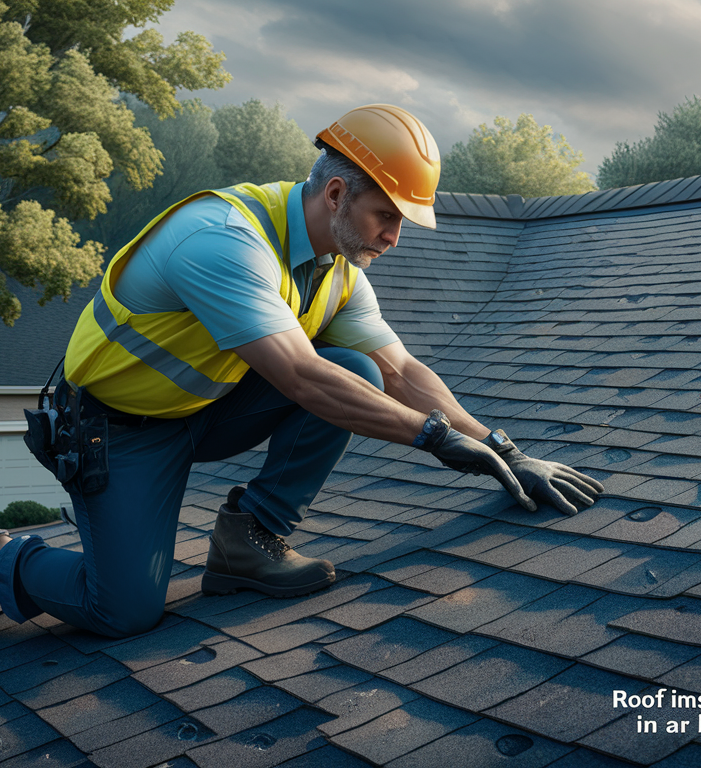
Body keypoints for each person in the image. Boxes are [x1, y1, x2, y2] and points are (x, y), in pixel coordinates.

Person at [0, 104, 603, 638]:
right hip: (119, 433)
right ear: (337, 194)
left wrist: (504, 448)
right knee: (123, 612)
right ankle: (7, 561)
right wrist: (433, 438)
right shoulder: (223, 240)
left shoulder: (337, 272)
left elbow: (401, 372)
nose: (395, 238)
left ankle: (248, 540)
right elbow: (300, 378)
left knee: (358, 368)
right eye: (386, 217)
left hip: (207, 411)